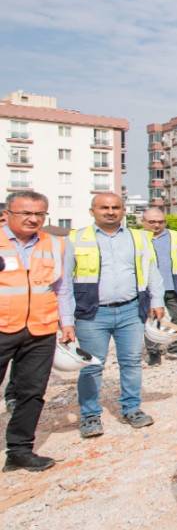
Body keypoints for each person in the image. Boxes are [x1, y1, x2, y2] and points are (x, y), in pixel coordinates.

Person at [60, 192, 165, 438]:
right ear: (92, 211)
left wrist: (157, 301)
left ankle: (132, 408)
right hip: (92, 313)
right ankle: (90, 415)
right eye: (104, 207)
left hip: (130, 310)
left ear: (123, 210)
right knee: (91, 366)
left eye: (116, 207)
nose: (110, 211)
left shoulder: (139, 238)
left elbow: (152, 272)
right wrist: (66, 319)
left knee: (130, 362)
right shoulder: (76, 239)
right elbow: (64, 282)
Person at [0, 192, 69, 472]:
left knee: (32, 392)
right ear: (8, 214)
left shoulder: (53, 244)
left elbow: (62, 287)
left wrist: (67, 323)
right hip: (3, 326)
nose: (33, 219)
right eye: (25, 213)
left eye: (40, 214)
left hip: (41, 329)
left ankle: (19, 450)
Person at [140, 209, 177, 365]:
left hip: (174, 284)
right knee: (152, 319)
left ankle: (176, 347)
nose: (157, 225)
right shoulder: (137, 239)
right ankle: (153, 352)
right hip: (148, 287)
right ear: (143, 222)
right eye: (152, 222)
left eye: (161, 221)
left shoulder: (176, 237)